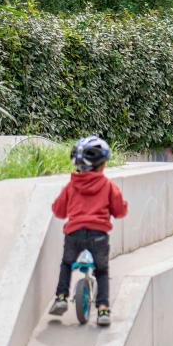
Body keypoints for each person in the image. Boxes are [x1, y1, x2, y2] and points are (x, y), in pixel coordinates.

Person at [49, 135, 128, 326]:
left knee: (67, 264)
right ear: (101, 165)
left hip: (74, 234)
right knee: (101, 271)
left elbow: (58, 210)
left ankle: (61, 297)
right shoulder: (109, 186)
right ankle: (102, 309)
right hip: (98, 235)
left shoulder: (71, 186)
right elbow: (119, 211)